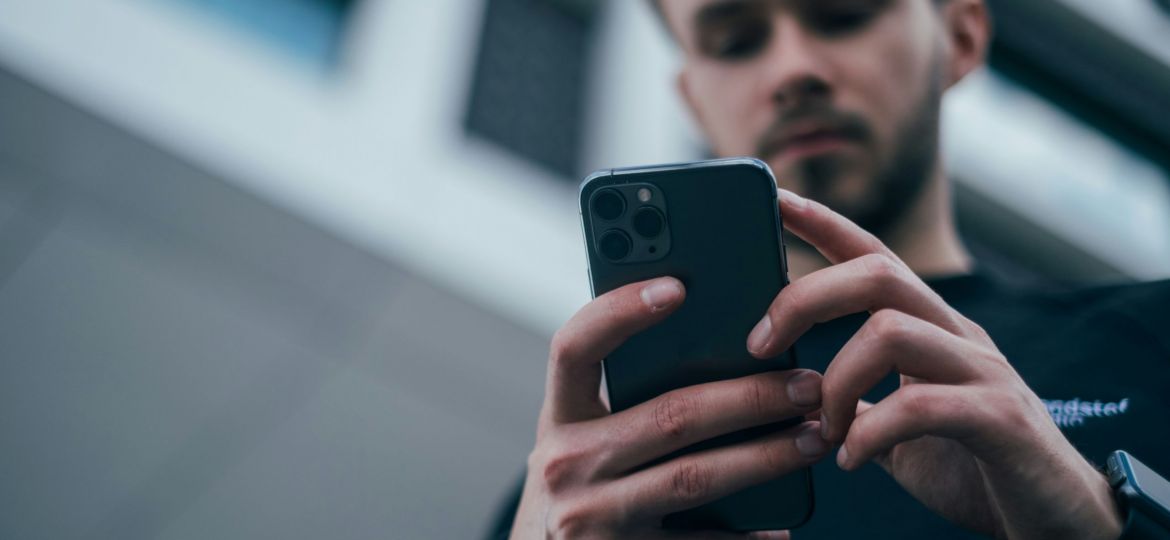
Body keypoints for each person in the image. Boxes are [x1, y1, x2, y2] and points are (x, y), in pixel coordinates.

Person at [489, 0, 1170, 538]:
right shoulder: (581, 485)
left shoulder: (1152, 337)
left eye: (844, 14)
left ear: (958, 36)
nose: (793, 70)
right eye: (735, 40)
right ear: (694, 98)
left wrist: (1098, 521)